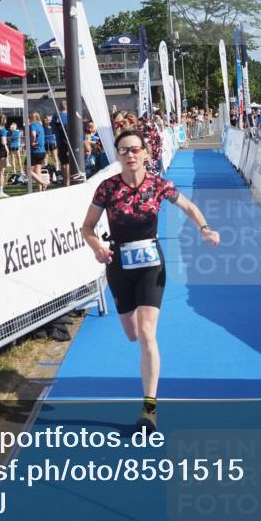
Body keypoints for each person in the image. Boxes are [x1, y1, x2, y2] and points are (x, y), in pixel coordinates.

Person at [82, 130, 220, 433]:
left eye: (135, 149)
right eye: (123, 151)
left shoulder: (159, 185)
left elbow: (190, 208)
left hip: (150, 265)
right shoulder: (107, 188)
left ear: (146, 153)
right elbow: (87, 227)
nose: (129, 155)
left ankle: (149, 409)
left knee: (146, 334)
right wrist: (98, 247)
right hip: (118, 265)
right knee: (132, 334)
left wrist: (205, 229)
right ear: (117, 156)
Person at [28, 112, 50, 189]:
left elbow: (33, 134)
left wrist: (32, 142)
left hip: (34, 151)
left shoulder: (32, 125)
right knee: (37, 171)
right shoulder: (41, 126)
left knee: (27, 170)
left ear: (33, 118)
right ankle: (40, 190)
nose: (29, 119)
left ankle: (43, 183)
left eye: (30, 117)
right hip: (42, 151)